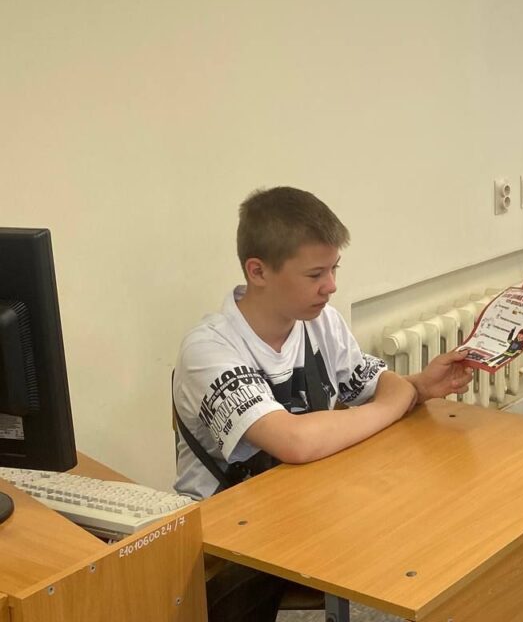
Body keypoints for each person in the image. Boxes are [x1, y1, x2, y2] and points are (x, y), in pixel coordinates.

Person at [172, 185, 473, 622]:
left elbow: (379, 384)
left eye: (334, 269)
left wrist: (418, 387)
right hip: (222, 542)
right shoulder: (209, 349)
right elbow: (294, 442)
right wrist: (398, 398)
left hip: (306, 510)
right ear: (258, 271)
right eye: (315, 274)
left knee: (433, 528)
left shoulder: (321, 322)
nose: (331, 286)